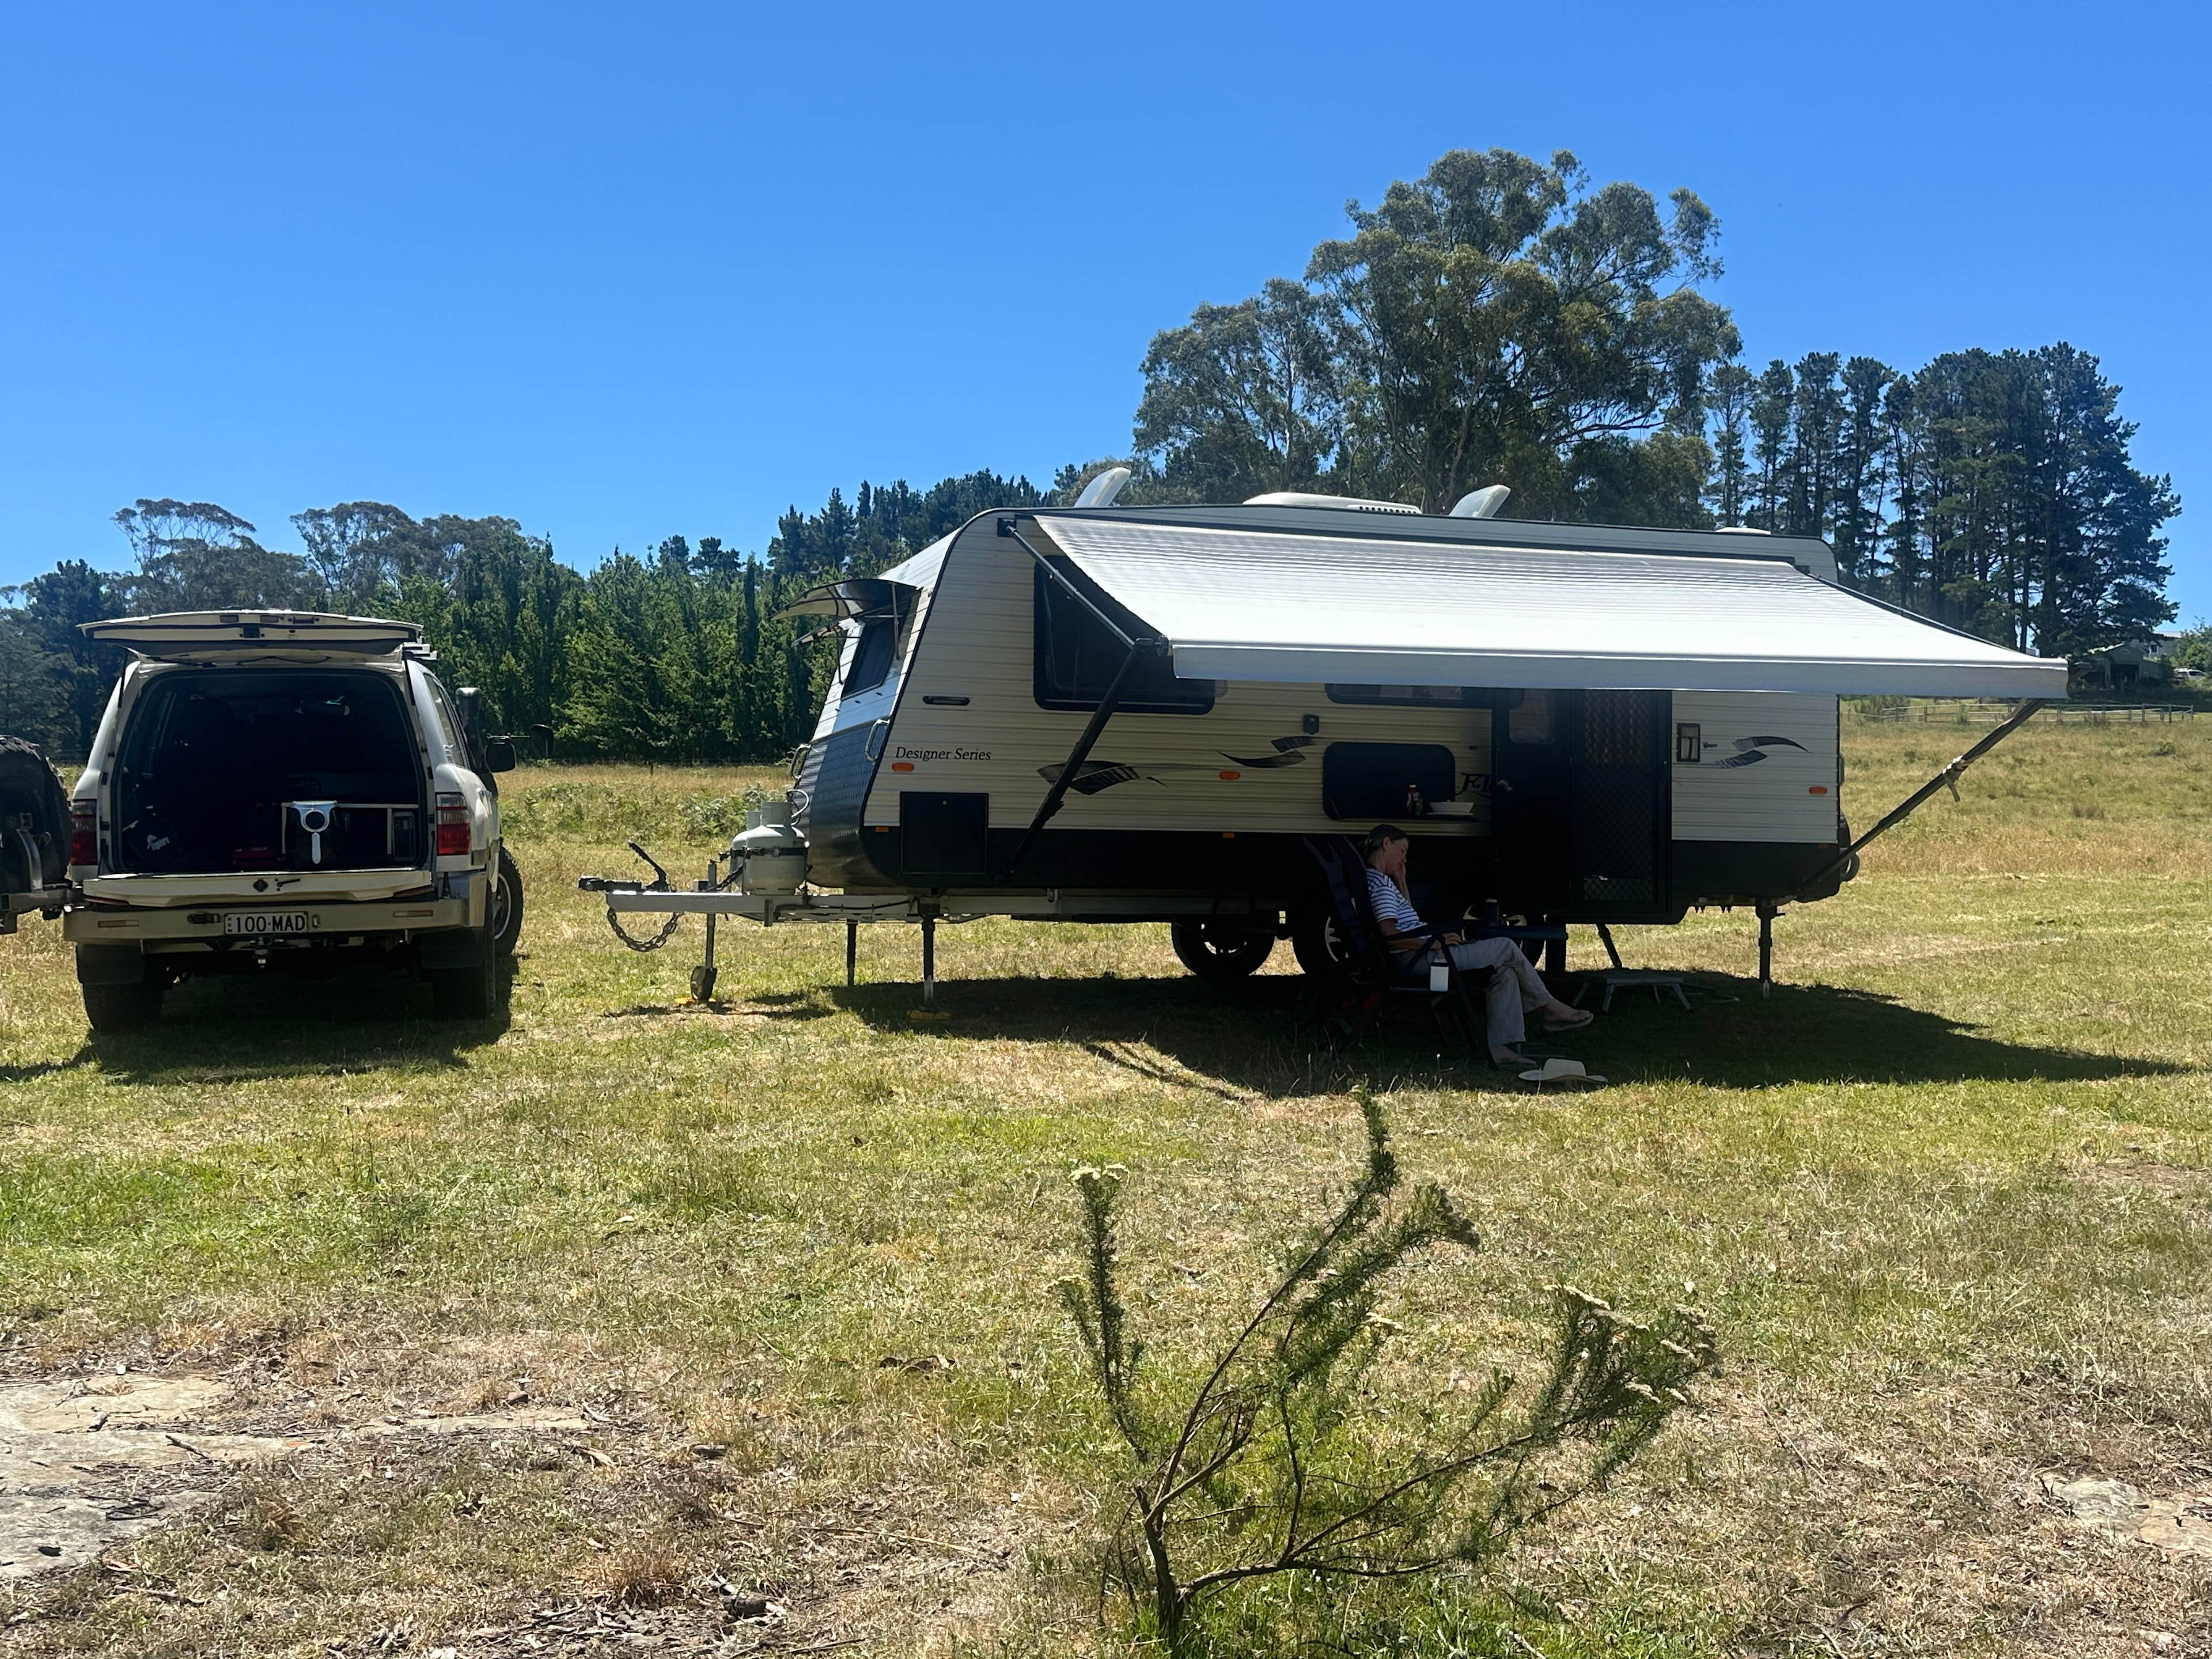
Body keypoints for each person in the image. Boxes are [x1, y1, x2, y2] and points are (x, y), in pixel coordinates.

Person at [1361, 824, 1593, 1066]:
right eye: (1402, 851)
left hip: (1420, 952)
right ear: (1386, 843)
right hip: (1419, 957)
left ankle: (1500, 1049)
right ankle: (1550, 1008)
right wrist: (1433, 944)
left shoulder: (1377, 881)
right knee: (1505, 946)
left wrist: (1401, 881)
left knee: (1504, 972)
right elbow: (1389, 934)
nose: (1404, 859)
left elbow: (1407, 918)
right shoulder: (1380, 885)